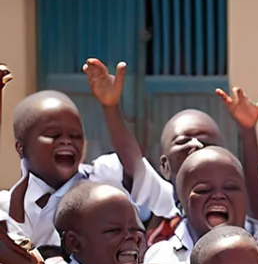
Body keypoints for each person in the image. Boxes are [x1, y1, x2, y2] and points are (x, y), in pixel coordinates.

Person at [1, 87, 173, 252]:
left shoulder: (102, 179)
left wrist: (110, 108)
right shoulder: (7, 206)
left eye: (75, 136)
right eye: (53, 135)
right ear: (20, 147)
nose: (66, 141)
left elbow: (135, 168)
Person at [144, 147, 258, 264]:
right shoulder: (162, 261)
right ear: (182, 200)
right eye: (203, 190)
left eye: (231, 187)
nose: (218, 196)